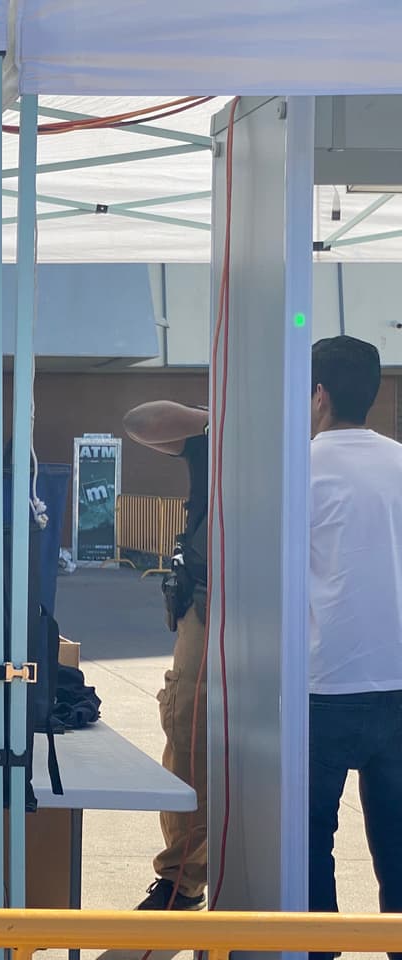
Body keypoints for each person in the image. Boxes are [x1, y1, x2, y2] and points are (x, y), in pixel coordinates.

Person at [307, 336, 402, 960]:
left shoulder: (298, 470)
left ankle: (319, 949)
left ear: (317, 394)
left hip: (322, 686)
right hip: (397, 688)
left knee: (311, 841)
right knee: (398, 844)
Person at [123, 399, 211, 911]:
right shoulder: (214, 432)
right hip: (206, 600)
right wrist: (212, 418)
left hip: (281, 602)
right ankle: (183, 879)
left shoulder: (310, 435)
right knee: (188, 732)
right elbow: (139, 422)